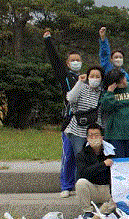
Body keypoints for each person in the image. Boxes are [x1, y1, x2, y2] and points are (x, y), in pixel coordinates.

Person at [43, 30, 82, 198]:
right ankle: (66, 185)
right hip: (68, 121)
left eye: (78, 60)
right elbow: (55, 61)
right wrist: (48, 41)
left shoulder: (87, 77)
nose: (75, 62)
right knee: (68, 154)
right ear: (67, 63)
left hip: (84, 121)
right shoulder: (65, 76)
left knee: (81, 155)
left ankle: (80, 185)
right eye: (72, 60)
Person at [75, 123, 114, 219]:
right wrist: (103, 164)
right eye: (91, 136)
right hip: (92, 189)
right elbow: (83, 174)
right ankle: (87, 212)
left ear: (102, 137)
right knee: (80, 183)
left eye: (96, 135)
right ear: (87, 138)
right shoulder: (82, 154)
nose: (94, 138)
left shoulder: (110, 152)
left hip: (107, 190)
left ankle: (107, 212)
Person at [64, 66, 104, 158]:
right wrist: (80, 82)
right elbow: (70, 98)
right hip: (78, 130)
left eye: (97, 77)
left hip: (94, 130)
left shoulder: (102, 92)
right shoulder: (82, 87)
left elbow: (103, 113)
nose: (95, 79)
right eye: (92, 76)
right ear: (88, 77)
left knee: (95, 157)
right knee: (80, 157)